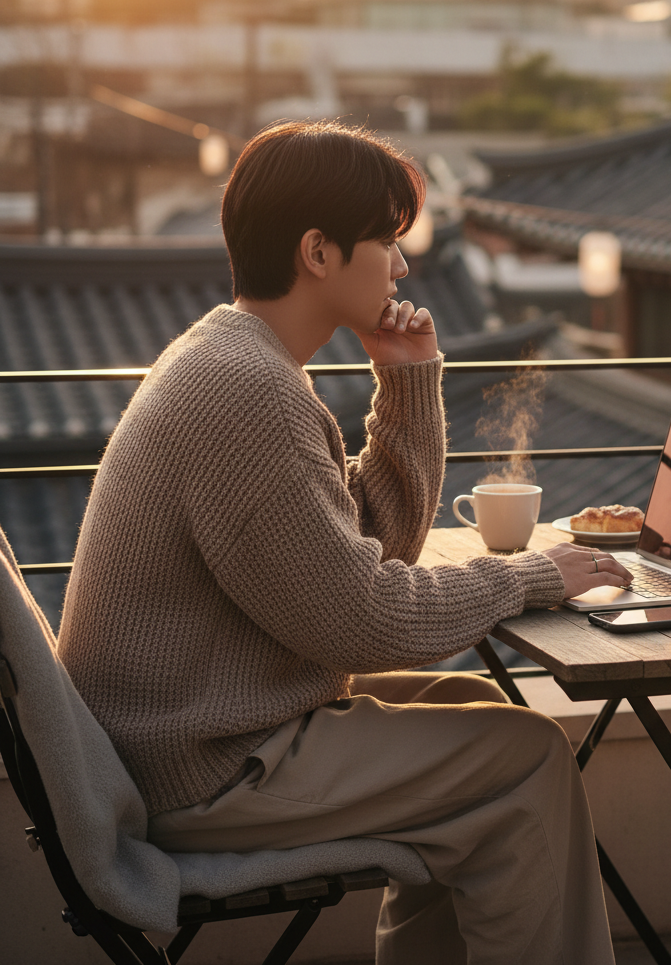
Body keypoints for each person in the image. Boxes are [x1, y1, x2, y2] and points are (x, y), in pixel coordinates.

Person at [56, 121, 633, 965]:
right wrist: (530, 578)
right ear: (318, 252)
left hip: (199, 735)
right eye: (387, 241)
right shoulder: (245, 393)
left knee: (488, 722)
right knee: (525, 760)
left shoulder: (235, 360)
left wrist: (404, 378)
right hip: (205, 770)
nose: (403, 265)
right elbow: (365, 620)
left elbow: (370, 549)